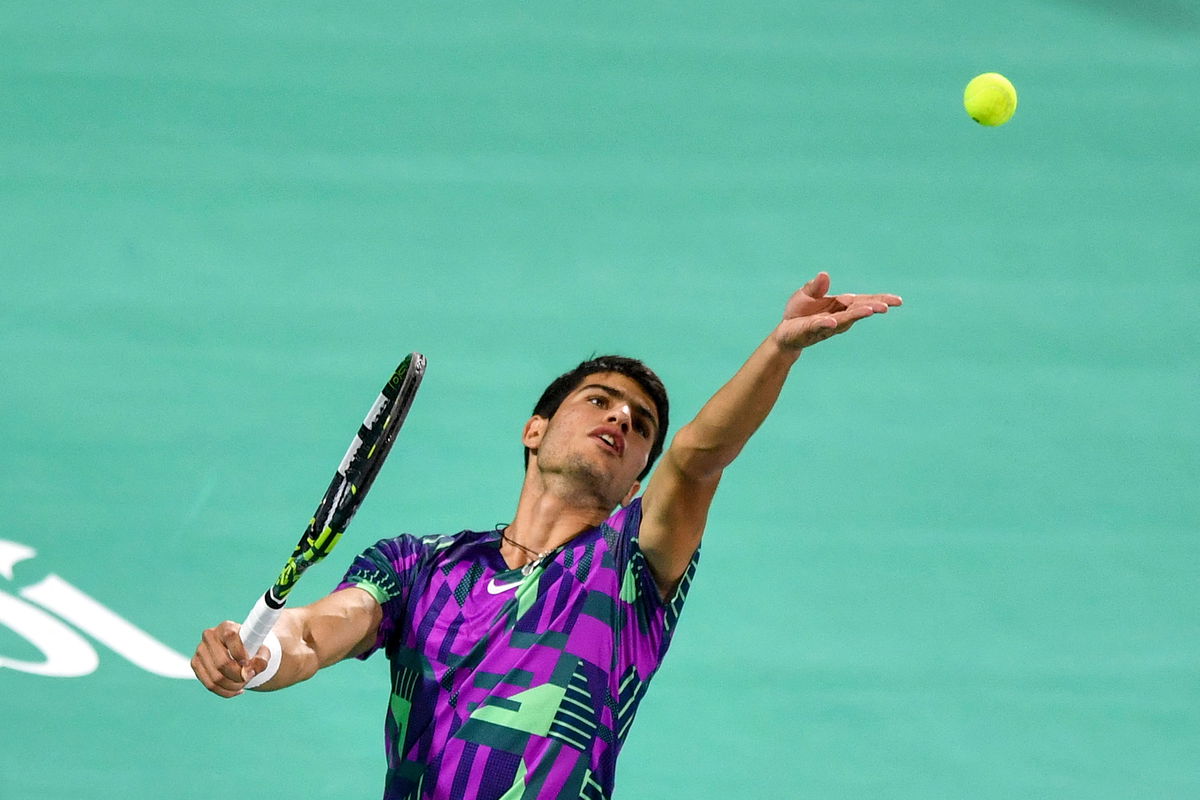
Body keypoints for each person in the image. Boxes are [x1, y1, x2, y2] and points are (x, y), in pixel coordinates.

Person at [192, 272, 902, 799]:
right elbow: (317, 632)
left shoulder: (632, 569)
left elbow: (698, 459)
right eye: (599, 400)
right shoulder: (418, 565)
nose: (622, 420)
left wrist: (780, 350)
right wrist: (257, 657)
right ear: (535, 430)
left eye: (640, 425)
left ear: (633, 486)